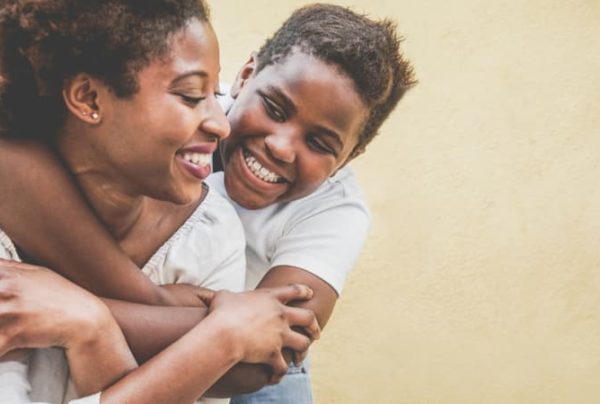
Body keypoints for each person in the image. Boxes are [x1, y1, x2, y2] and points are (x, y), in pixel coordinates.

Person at [0, 3, 415, 402]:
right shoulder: (172, 99)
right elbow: (14, 172)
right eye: (274, 107)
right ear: (244, 76)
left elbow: (273, 347)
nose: (281, 147)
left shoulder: (333, 211)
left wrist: (86, 312)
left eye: (320, 143)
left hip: (244, 360)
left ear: (350, 157)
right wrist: (165, 305)